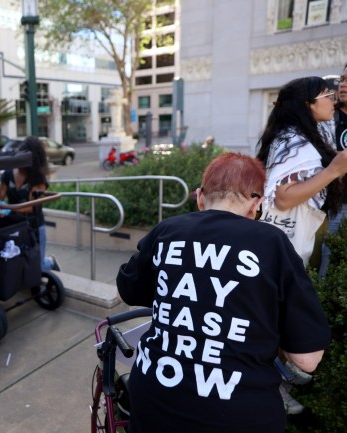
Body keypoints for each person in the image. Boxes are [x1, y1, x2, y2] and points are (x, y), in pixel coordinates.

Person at [116, 153, 331, 433]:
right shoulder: (272, 244)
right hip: (239, 415)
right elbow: (307, 358)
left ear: (200, 197)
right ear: (256, 204)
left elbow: (126, 293)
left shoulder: (167, 230)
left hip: (153, 404)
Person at [256, 76, 347, 268]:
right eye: (327, 95)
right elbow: (283, 198)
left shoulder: (300, 134)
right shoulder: (293, 141)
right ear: (309, 104)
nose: (334, 99)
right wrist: (333, 170)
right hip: (290, 229)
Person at [0, 136, 60, 271]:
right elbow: (0, 196)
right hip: (15, 225)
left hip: (35, 226)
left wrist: (6, 209)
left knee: (39, 266)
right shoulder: (8, 174)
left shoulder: (38, 179)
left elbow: (31, 207)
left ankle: (51, 262)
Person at [319, 69, 347, 277]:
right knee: (329, 269)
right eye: (343, 79)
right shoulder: (327, 118)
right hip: (332, 206)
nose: (343, 84)